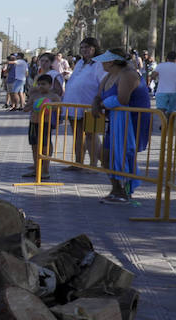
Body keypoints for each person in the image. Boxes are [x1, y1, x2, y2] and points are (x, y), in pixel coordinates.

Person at [93, 47, 152, 205]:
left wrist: (103, 104)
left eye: (104, 61)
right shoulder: (109, 76)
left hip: (132, 121)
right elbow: (99, 94)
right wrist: (95, 102)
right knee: (104, 155)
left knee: (124, 155)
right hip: (115, 120)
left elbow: (123, 100)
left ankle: (125, 192)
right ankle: (116, 189)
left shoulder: (128, 75)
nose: (101, 64)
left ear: (111, 62)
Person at [62, 37, 106, 170]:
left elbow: (103, 82)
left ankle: (94, 164)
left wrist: (98, 100)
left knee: (91, 135)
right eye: (82, 48)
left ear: (94, 48)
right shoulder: (80, 63)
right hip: (74, 104)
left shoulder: (99, 63)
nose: (84, 50)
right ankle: (78, 162)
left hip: (90, 105)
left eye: (87, 47)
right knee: (77, 134)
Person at [24, 73, 62, 180]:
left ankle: (45, 170)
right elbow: (26, 108)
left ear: (50, 85)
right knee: (34, 146)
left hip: (46, 124)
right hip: (33, 123)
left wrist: (50, 107)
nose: (40, 86)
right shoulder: (34, 95)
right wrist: (35, 106)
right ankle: (36, 169)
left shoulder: (54, 97)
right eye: (39, 84)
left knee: (45, 147)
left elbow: (60, 109)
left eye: (44, 84)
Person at [152, 50, 176, 115]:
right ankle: (169, 124)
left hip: (161, 91)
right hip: (173, 92)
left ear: (167, 58)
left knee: (161, 111)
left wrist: (156, 77)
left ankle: (163, 124)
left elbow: (153, 76)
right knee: (171, 113)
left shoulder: (160, 66)